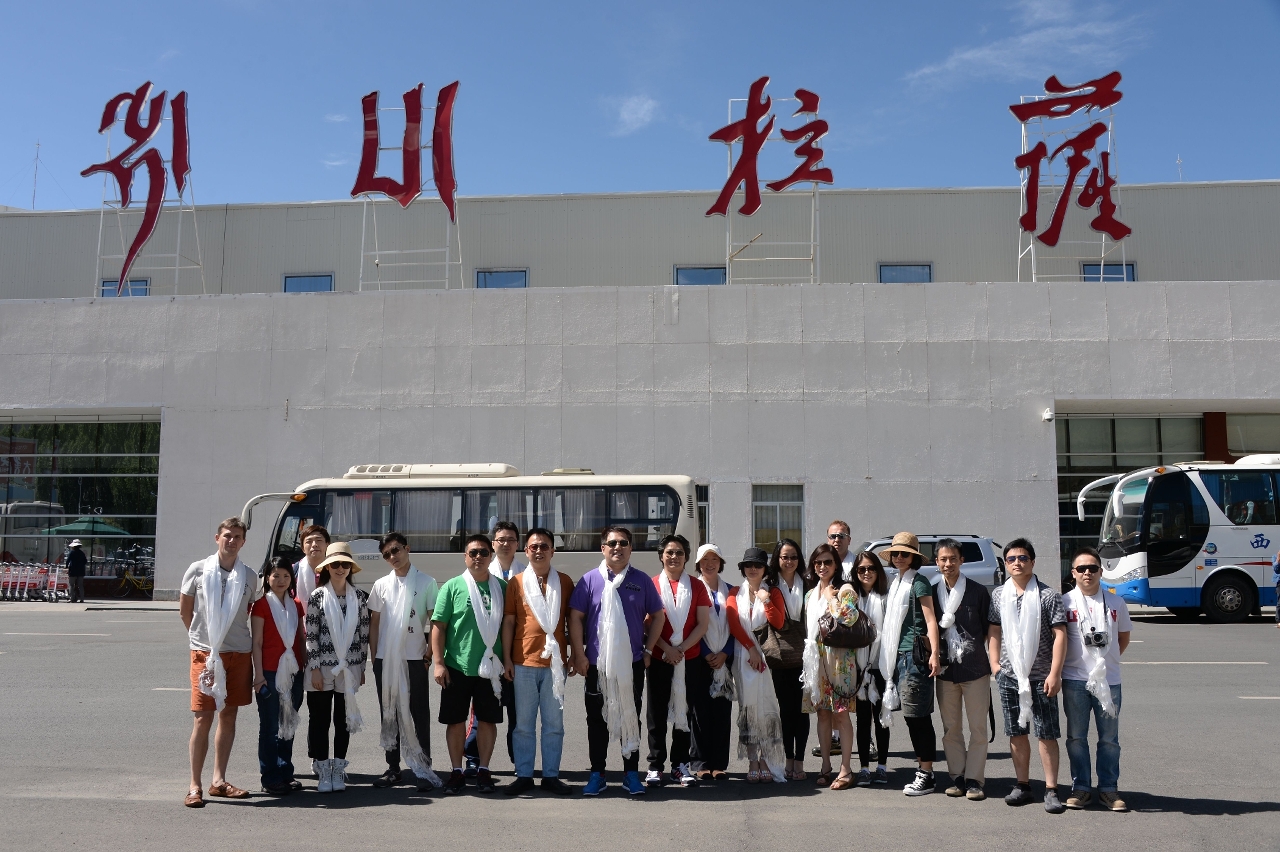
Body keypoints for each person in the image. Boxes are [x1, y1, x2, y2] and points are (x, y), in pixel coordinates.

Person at [568, 526, 666, 797]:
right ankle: (597, 774)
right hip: (596, 665)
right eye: (612, 543)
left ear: (630, 548)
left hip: (631, 664)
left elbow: (658, 615)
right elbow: (575, 617)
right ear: (603, 548)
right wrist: (579, 654)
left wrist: (648, 651)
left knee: (630, 717)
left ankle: (631, 774)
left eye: (624, 543)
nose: (617, 547)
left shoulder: (641, 581)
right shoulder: (589, 580)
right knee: (596, 720)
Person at [180, 518, 260, 807]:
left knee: (229, 716)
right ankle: (194, 786)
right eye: (228, 535)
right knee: (203, 718)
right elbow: (186, 612)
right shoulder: (197, 570)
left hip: (239, 653)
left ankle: (218, 781)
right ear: (217, 537)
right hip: (206, 653)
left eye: (238, 537)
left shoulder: (250, 577)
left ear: (243, 542)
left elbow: (250, 614)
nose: (232, 541)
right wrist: (207, 641)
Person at [987, 538, 1069, 813]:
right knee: (1016, 732)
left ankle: (1051, 789)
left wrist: (1055, 673)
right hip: (1009, 676)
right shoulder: (999, 595)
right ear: (1006, 564)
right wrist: (995, 665)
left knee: (1046, 733)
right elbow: (994, 631)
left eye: (1022, 558)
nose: (1017, 563)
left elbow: (1060, 635)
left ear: (1033, 562)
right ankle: (1022, 784)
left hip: (1041, 676)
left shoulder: (1048, 596)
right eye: (1011, 559)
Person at [432, 533, 507, 795]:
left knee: (488, 721)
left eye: (483, 553)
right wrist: (438, 662)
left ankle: (484, 769)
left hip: (491, 668)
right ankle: (456, 771)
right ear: (465, 556)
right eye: (473, 552)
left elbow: (509, 629)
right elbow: (439, 626)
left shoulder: (502, 587)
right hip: (457, 666)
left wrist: (507, 662)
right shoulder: (452, 587)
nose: (478, 557)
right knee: (455, 721)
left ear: (491, 556)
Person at [501, 527, 574, 795]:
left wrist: (576, 654)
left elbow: (572, 622)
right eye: (534, 547)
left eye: (544, 546)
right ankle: (524, 775)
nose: (539, 551)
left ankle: (551, 775)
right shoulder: (516, 582)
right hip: (523, 662)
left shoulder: (564, 582)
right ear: (526, 551)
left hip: (556, 664)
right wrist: (507, 658)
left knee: (554, 724)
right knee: (523, 725)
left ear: (553, 550)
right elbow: (509, 621)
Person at [368, 532, 441, 791]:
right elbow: (375, 623)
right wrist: (375, 656)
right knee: (389, 711)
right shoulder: (381, 585)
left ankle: (423, 765)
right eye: (386, 554)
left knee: (419, 712)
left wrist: (430, 654)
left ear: (407, 549)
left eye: (396, 550)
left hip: (414, 657)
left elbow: (434, 621)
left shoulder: (426, 582)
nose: (392, 557)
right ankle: (393, 768)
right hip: (385, 659)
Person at [1062, 547, 1132, 812]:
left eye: (1093, 568)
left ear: (1101, 571)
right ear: (1073, 573)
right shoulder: (1064, 602)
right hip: (1074, 680)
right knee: (1076, 737)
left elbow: (1123, 637)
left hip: (1109, 680)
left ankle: (1108, 789)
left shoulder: (1116, 603)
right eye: (1082, 569)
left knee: (1109, 740)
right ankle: (1081, 788)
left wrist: (1103, 663)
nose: (1087, 573)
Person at [876, 531, 942, 796]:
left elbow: (930, 620)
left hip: (914, 658)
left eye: (905, 554)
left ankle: (926, 773)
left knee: (918, 718)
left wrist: (935, 653)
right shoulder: (896, 582)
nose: (899, 558)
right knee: (912, 717)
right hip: (896, 657)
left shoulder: (919, 582)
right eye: (895, 554)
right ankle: (924, 771)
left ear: (914, 558)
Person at [644, 534, 711, 788]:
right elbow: (647, 625)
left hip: (689, 658)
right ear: (661, 556)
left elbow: (702, 624)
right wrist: (666, 649)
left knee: (684, 711)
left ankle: (680, 765)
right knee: (657, 713)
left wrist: (680, 649)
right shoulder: (652, 585)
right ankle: (655, 765)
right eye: (669, 552)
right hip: (661, 658)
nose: (674, 557)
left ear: (686, 557)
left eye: (679, 553)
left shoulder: (697, 586)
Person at [304, 542, 370, 794]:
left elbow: (363, 637)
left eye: (344, 564)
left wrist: (362, 668)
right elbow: (311, 636)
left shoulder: (360, 597)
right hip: (321, 668)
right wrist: (315, 668)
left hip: (350, 668)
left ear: (350, 567)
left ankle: (338, 768)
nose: (340, 569)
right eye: (335, 564)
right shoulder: (317, 596)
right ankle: (322, 769)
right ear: (326, 568)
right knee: (320, 721)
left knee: (343, 721)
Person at [932, 537, 994, 801]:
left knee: (978, 728)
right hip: (946, 671)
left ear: (962, 561)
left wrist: (992, 661)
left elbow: (989, 629)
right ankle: (957, 776)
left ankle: (975, 780)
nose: (948, 564)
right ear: (937, 562)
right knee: (951, 727)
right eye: (943, 559)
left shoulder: (978, 592)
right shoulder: (932, 592)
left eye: (953, 559)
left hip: (975, 669)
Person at [463, 521, 522, 773]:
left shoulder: (524, 575)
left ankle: (520, 761)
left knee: (518, 714)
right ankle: (474, 759)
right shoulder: (483, 573)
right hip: (487, 657)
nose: (505, 544)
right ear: (493, 544)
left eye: (510, 539)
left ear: (518, 545)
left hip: (515, 657)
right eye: (500, 540)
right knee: (481, 713)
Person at [725, 547, 787, 783]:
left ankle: (766, 758)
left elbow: (778, 622)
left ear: (764, 569)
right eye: (748, 565)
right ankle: (753, 759)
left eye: (758, 565)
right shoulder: (734, 593)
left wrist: (767, 600)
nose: (753, 569)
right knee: (748, 709)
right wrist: (750, 649)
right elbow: (733, 623)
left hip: (768, 659)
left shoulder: (773, 592)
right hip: (744, 658)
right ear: (742, 569)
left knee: (767, 707)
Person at [801, 543, 860, 790]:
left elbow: (849, 618)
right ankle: (825, 765)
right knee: (823, 713)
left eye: (827, 562)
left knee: (841, 714)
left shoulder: (845, 589)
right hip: (816, 659)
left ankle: (846, 768)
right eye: (818, 563)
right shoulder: (810, 593)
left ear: (836, 564)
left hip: (839, 661)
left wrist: (832, 599)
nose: (822, 567)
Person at [250, 557, 306, 795]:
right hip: (270, 673)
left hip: (293, 672)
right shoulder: (261, 605)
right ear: (267, 579)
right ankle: (270, 776)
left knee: (288, 723)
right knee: (271, 726)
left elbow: (301, 639)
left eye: (285, 575)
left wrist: (304, 667)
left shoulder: (296, 604)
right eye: (275, 576)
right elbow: (257, 643)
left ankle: (285, 772)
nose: (281, 580)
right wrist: (259, 676)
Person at [688, 544, 735, 781]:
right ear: (698, 563)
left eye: (714, 558)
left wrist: (726, 652)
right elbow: (693, 625)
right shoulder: (693, 588)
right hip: (699, 658)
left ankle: (718, 764)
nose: (709, 563)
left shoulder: (731, 591)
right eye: (705, 559)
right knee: (699, 712)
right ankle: (700, 762)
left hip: (724, 661)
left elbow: (736, 626)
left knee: (722, 712)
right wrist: (706, 653)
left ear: (720, 562)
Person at [766, 538, 811, 780]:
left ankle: (800, 761)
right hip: (781, 657)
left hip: (806, 656)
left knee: (802, 711)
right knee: (785, 711)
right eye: (785, 557)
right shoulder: (769, 584)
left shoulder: (809, 583)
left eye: (793, 557)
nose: (789, 561)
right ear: (777, 559)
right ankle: (788, 759)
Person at [851, 550, 891, 786]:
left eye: (871, 568)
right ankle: (864, 767)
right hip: (857, 666)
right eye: (861, 569)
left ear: (878, 570)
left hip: (880, 665)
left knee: (881, 718)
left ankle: (882, 766)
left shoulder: (885, 597)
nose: (866, 573)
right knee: (863, 720)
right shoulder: (851, 598)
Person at [294, 525, 330, 611]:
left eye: (319, 540)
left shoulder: (335, 569)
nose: (314, 545)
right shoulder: (293, 571)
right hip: (299, 623)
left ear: (327, 544)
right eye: (309, 541)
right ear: (303, 548)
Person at [66, 539, 87, 603]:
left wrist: (66, 566)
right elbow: (85, 561)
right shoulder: (82, 553)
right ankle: (82, 599)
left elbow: (68, 561)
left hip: (73, 571)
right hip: (81, 571)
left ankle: (72, 598)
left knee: (71, 585)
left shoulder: (72, 552)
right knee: (80, 585)